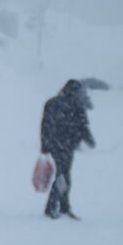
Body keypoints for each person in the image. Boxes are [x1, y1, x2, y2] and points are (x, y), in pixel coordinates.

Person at [40, 79, 95, 219]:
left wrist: (45, 145)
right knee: (63, 176)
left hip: (56, 146)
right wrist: (89, 140)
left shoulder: (52, 103)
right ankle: (55, 207)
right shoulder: (76, 105)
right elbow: (83, 126)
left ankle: (61, 207)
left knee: (63, 175)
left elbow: (45, 125)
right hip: (66, 146)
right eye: (78, 91)